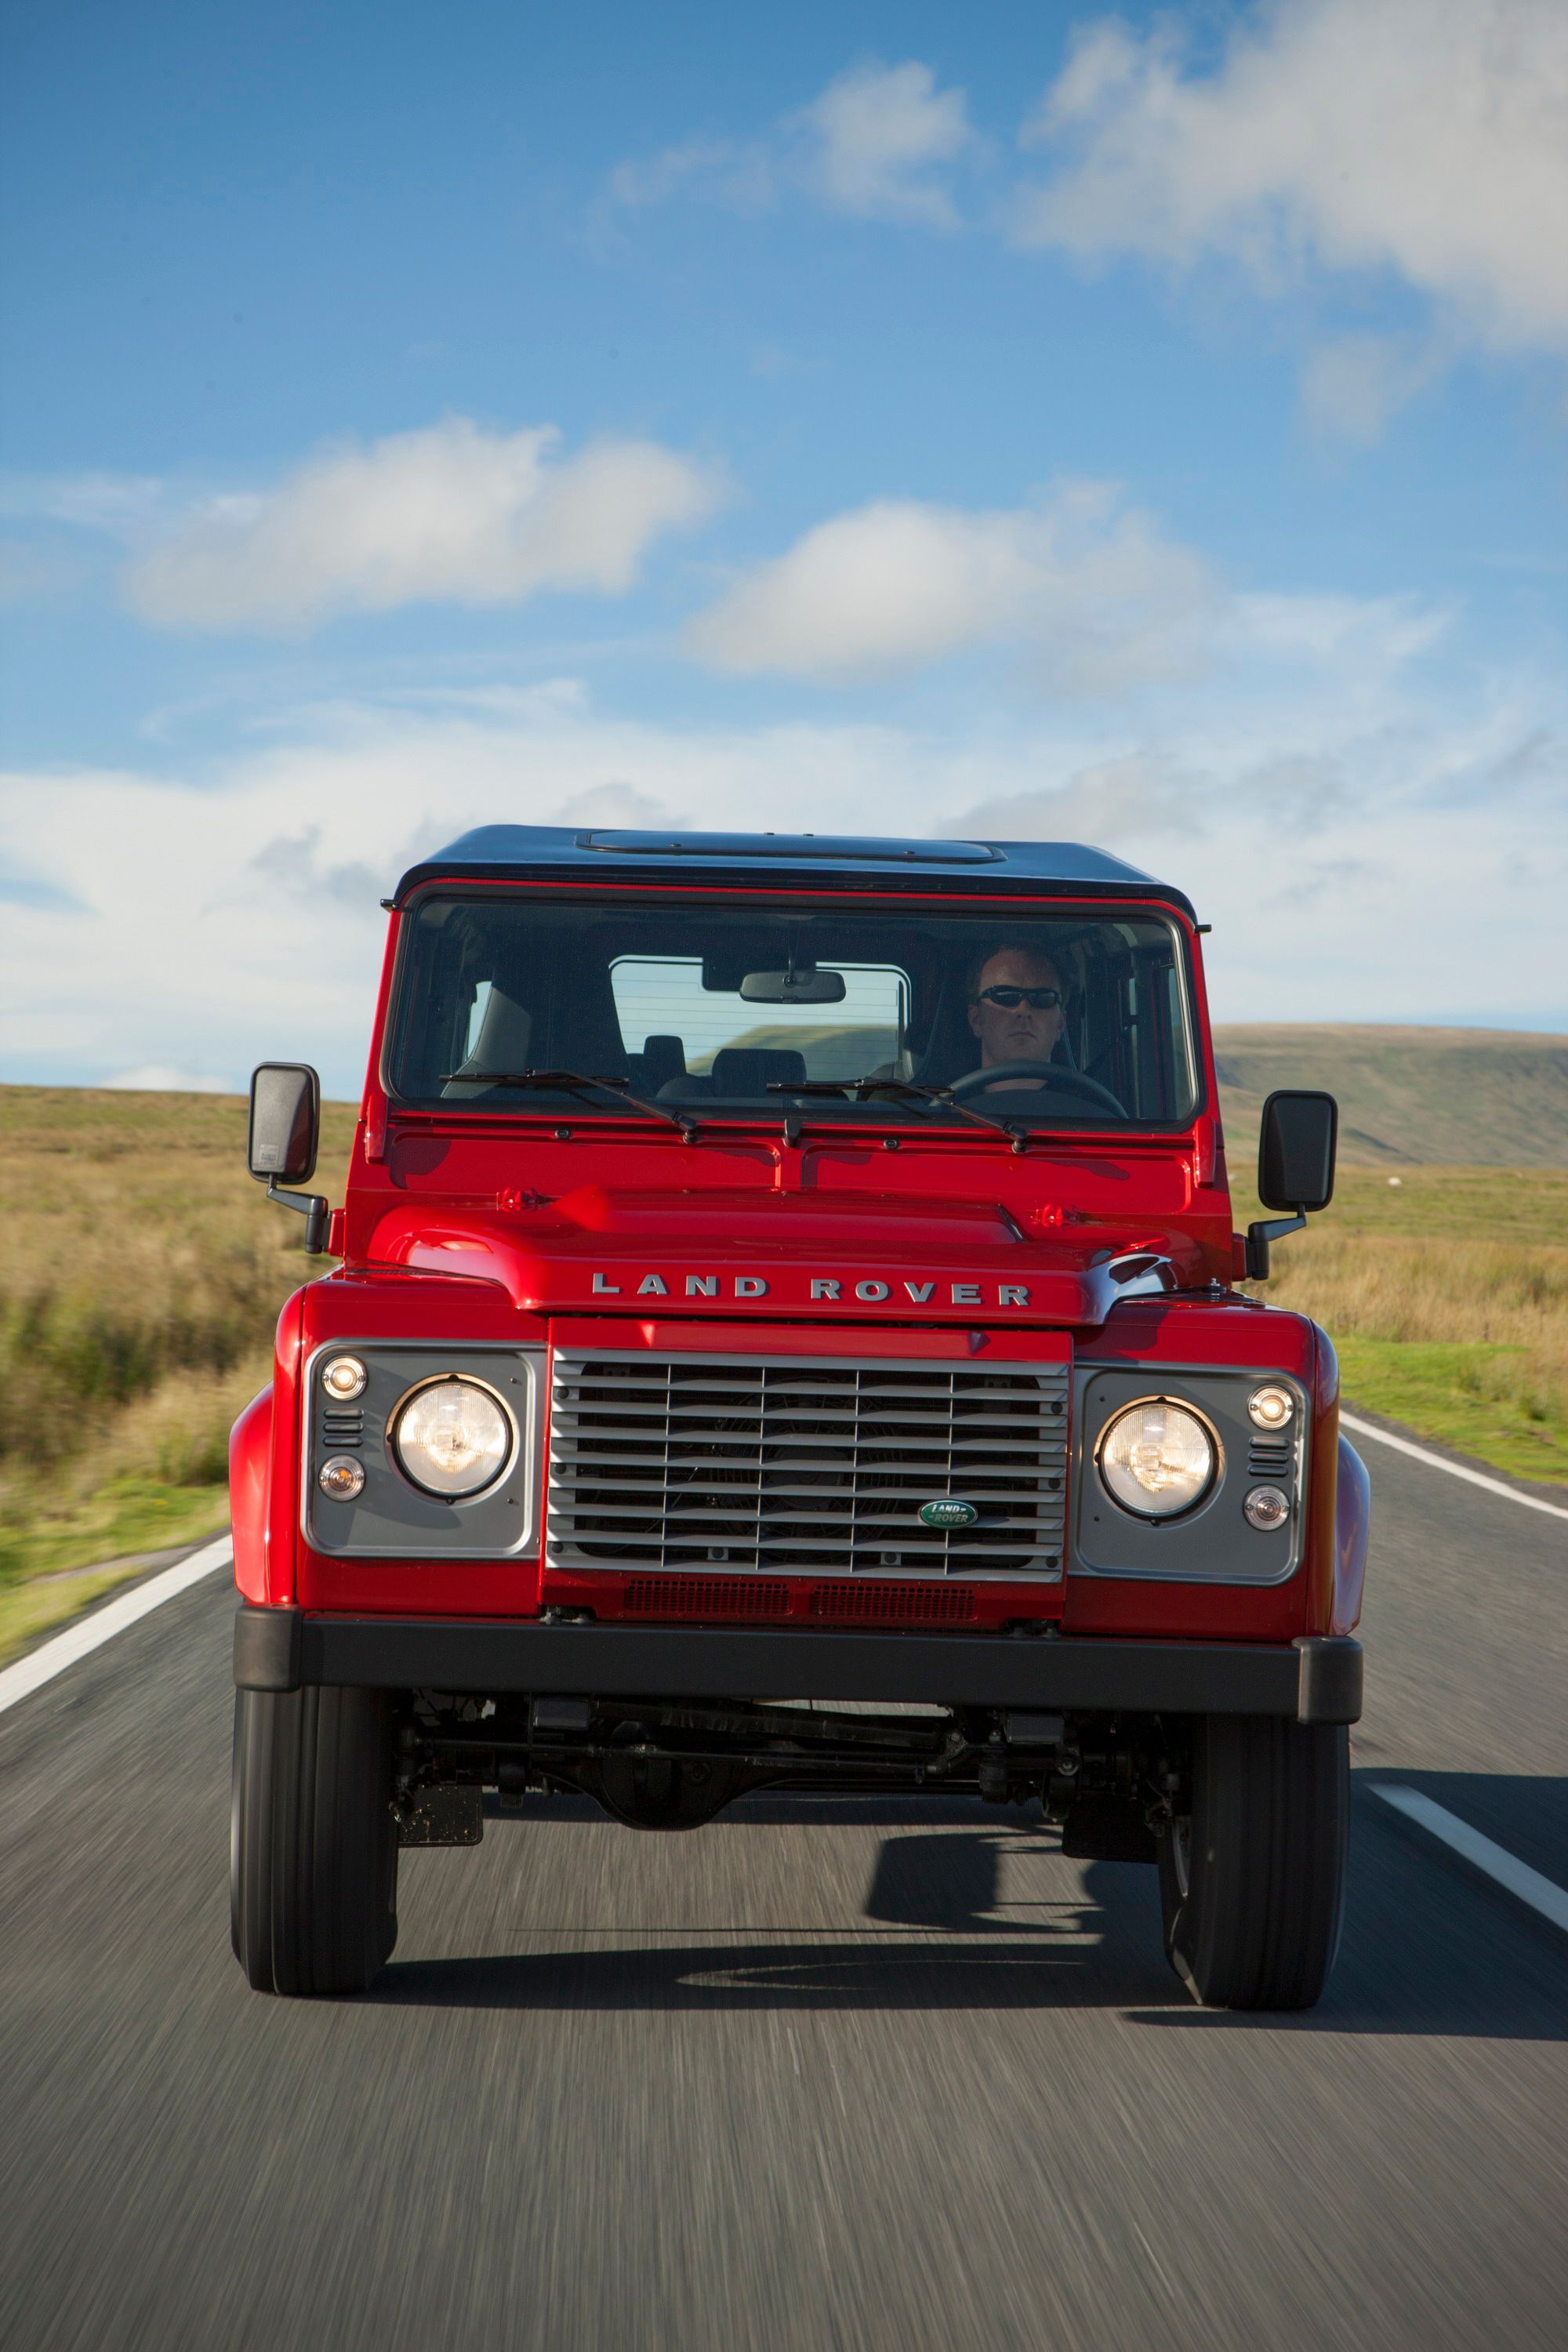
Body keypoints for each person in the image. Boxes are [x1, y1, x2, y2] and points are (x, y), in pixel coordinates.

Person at [964, 943, 1066, 1089]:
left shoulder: (1087, 1110)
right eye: (1005, 995)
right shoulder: (941, 1108)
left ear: (1060, 1025)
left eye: (1043, 998)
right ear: (976, 1019)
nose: (1023, 1010)